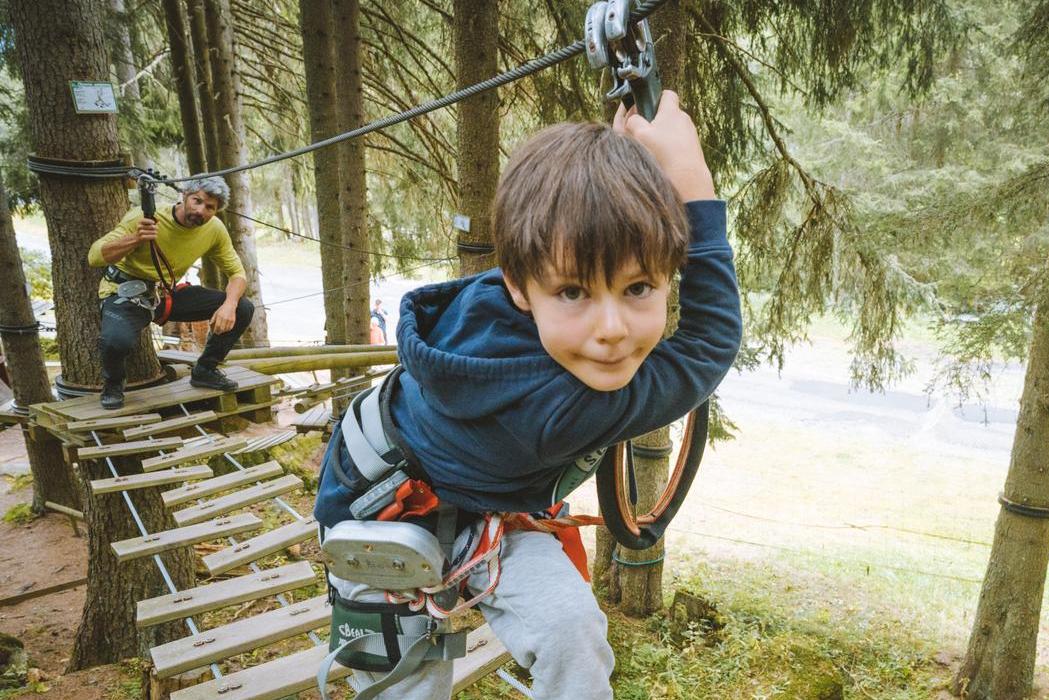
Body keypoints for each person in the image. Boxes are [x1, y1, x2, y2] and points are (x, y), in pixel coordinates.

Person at [313, 92, 740, 699]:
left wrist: (628, 163)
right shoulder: (558, 408)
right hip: (377, 511)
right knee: (403, 683)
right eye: (573, 293)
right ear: (519, 287)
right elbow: (710, 343)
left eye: (639, 286)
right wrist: (692, 181)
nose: (611, 328)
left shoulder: (511, 292)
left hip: (482, 507)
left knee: (573, 633)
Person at [87, 177, 254, 409]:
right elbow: (94, 256)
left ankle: (205, 369)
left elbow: (237, 274)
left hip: (165, 294)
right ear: (184, 196)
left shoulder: (214, 229)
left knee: (243, 308)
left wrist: (229, 304)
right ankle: (113, 385)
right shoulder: (143, 217)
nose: (200, 210)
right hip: (124, 292)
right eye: (197, 201)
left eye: (209, 207)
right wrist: (135, 239)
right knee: (116, 342)